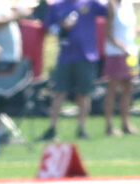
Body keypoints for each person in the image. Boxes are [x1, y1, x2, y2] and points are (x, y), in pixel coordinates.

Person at [39, 0, 107, 141]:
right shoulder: (57, 5)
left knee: (84, 93)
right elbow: (47, 27)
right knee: (59, 92)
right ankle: (52, 128)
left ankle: (82, 128)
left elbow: (108, 11)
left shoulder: (90, 3)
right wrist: (61, 27)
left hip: (86, 54)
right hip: (65, 56)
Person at [103, 0, 140, 136]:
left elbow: (129, 28)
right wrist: (123, 47)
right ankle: (109, 125)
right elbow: (109, 34)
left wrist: (139, 31)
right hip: (116, 53)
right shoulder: (111, 6)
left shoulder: (128, 4)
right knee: (113, 89)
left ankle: (126, 123)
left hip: (131, 53)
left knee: (128, 87)